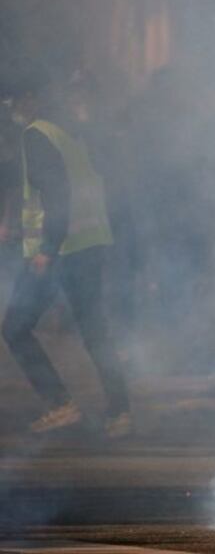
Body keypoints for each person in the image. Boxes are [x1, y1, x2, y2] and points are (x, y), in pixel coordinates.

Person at [0, 65, 130, 437]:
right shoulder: (66, 132)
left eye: (13, 100)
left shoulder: (36, 135)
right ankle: (120, 413)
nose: (10, 108)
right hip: (86, 243)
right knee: (94, 330)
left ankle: (60, 405)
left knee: (15, 328)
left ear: (30, 99)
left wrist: (47, 248)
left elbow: (57, 194)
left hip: (60, 251)